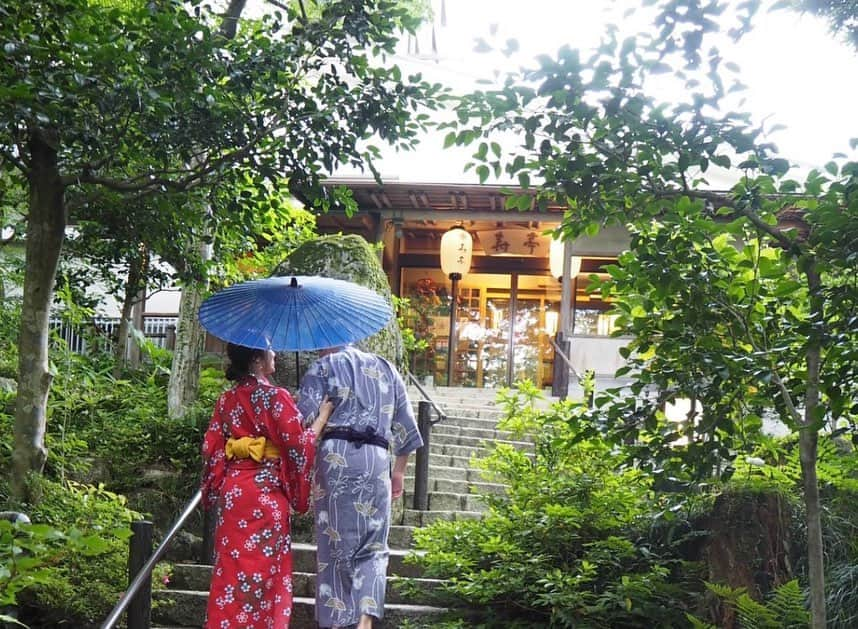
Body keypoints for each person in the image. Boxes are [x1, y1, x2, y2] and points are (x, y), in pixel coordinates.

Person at [201, 343, 334, 628]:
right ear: (257, 360)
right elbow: (298, 447)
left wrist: (217, 485)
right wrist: (321, 417)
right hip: (266, 495)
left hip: (235, 493)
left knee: (232, 574)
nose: (275, 355)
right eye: (270, 351)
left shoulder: (226, 400)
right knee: (264, 577)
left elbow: (211, 448)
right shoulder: (277, 397)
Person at [297, 345, 424, 629]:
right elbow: (405, 425)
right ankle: (365, 620)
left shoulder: (323, 366)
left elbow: (300, 421)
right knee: (374, 545)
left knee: (335, 544)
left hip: (336, 458)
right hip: (377, 460)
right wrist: (399, 472)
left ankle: (339, 622)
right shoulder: (386, 367)